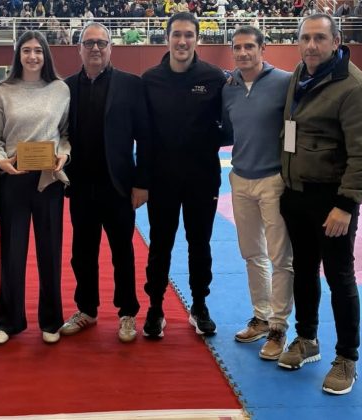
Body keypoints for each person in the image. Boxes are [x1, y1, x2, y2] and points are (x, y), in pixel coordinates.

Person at [277, 14, 362, 395]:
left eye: (320, 38)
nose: (311, 45)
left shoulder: (355, 88)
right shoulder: (299, 75)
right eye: (305, 38)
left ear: (336, 41)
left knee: (339, 277)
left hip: (332, 201)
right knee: (304, 271)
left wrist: (346, 205)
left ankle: (347, 357)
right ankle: (307, 339)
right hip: (296, 194)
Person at [60, 22, 151, 342]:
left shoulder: (131, 85)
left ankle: (127, 312)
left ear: (111, 47)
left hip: (119, 186)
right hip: (81, 186)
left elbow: (146, 137)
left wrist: (142, 183)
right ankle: (86, 309)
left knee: (122, 252)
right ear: (79, 49)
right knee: (82, 253)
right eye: (89, 43)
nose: (95, 48)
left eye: (101, 43)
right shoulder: (66, 87)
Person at [142, 12, 226, 338]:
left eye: (188, 35)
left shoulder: (214, 77)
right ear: (167, 38)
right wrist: (142, 180)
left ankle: (199, 305)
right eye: (176, 34)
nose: (182, 41)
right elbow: (143, 135)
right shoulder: (150, 79)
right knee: (160, 245)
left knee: (199, 244)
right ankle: (155, 307)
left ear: (197, 39)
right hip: (162, 180)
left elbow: (231, 124)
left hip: (202, 179)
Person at [0, 30, 70, 345]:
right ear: (18, 55)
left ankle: (51, 320)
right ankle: (9, 321)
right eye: (26, 50)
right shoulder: (1, 91)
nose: (33, 56)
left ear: (46, 54)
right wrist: (0, 161)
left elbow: (65, 133)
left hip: (48, 180)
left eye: (38, 50)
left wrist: (64, 154)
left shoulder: (60, 89)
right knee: (12, 253)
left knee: (50, 252)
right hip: (14, 177)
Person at [221, 25, 294, 360]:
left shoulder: (284, 82)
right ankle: (261, 317)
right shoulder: (229, 87)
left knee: (281, 257)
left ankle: (279, 326)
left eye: (249, 46)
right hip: (240, 178)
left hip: (273, 180)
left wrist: (289, 169)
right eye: (237, 48)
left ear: (263, 48)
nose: (243, 53)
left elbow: (293, 127)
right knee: (252, 253)